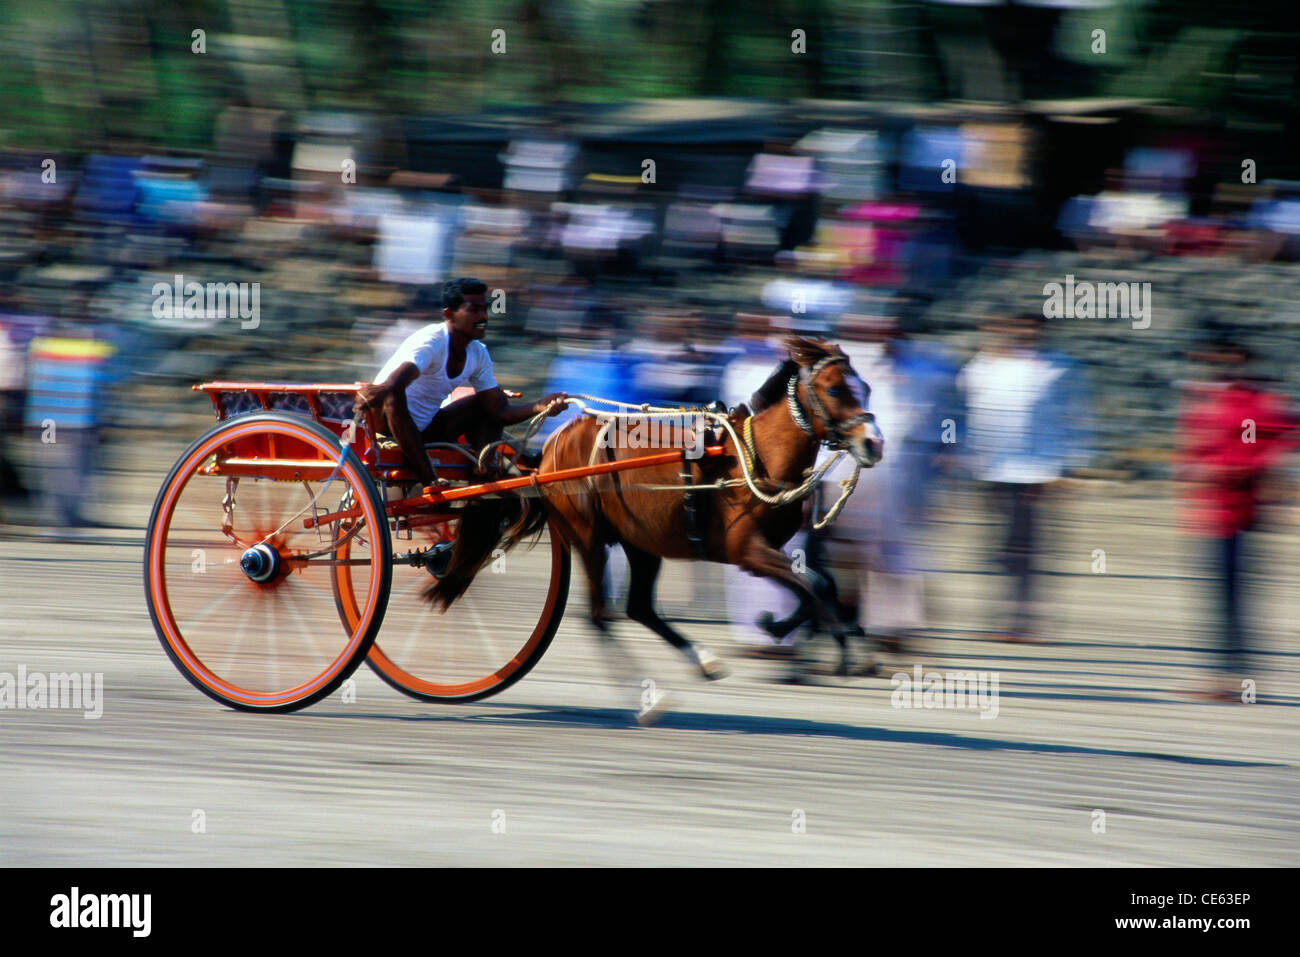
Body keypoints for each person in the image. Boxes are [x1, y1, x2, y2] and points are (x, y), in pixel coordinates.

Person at [1175, 324, 1297, 700]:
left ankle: (1239, 678)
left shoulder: (1256, 402)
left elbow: (1283, 435)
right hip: (1207, 511)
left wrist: (1250, 468)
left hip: (1240, 511)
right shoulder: (1201, 400)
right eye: (1215, 357)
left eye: (1230, 358)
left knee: (1237, 596)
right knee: (1215, 596)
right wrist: (1189, 471)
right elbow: (1191, 448)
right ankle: (1220, 675)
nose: (1220, 364)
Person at [354, 277, 568, 487]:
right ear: (449, 314)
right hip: (387, 428)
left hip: (426, 431)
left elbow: (499, 412)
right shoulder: (432, 340)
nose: (483, 316)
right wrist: (383, 388)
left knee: (492, 400)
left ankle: (483, 472)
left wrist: (541, 406)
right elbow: (400, 377)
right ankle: (430, 480)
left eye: (485, 309)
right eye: (474, 310)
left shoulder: (478, 353)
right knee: (394, 393)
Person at [957, 311, 1089, 642]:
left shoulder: (1059, 367)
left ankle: (1026, 617)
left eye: (1030, 328)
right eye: (1015, 327)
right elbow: (967, 411)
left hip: (1036, 470)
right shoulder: (982, 366)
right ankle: (1001, 613)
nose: (1022, 333)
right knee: (997, 546)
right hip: (990, 468)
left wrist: (1069, 468)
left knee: (1029, 547)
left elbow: (1077, 417)